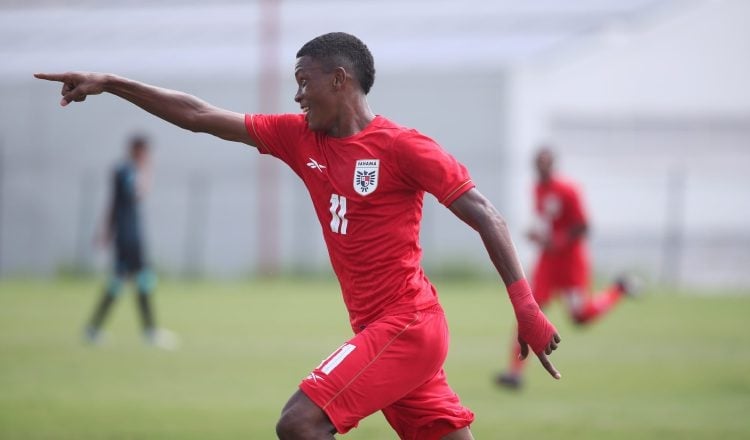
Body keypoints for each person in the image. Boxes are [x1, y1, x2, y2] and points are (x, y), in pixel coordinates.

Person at [36, 32, 561, 440]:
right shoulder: (297, 137)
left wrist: (526, 308)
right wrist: (111, 82)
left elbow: (486, 213)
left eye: (303, 80)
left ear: (338, 80)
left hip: (408, 325)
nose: (296, 93)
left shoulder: (404, 147)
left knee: (300, 423)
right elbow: (199, 115)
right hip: (383, 332)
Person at [496, 147, 637, 390]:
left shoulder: (568, 189)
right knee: (528, 310)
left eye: (545, 163)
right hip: (548, 263)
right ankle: (514, 373)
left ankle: (619, 289)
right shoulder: (537, 189)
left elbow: (583, 227)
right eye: (538, 163)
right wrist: (538, 236)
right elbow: (547, 223)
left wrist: (557, 240)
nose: (541, 168)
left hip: (571, 263)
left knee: (580, 316)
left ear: (553, 165)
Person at [84, 135, 177, 350]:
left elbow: (113, 203)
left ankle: (97, 328)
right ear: (136, 150)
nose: (147, 156)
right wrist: (146, 169)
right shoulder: (126, 170)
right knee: (135, 280)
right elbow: (139, 193)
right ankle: (148, 331)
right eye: (144, 152)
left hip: (128, 233)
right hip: (128, 237)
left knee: (132, 280)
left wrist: (105, 230)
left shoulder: (122, 170)